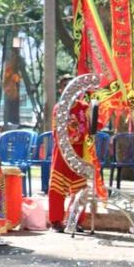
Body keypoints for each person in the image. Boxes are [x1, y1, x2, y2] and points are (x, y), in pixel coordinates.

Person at [48, 76, 93, 232]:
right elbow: (56, 132)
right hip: (62, 152)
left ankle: (74, 221)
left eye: (73, 86)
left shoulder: (85, 108)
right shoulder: (58, 108)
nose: (70, 90)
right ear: (62, 90)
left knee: (80, 189)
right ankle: (56, 221)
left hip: (80, 152)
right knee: (57, 188)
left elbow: (91, 129)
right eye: (66, 86)